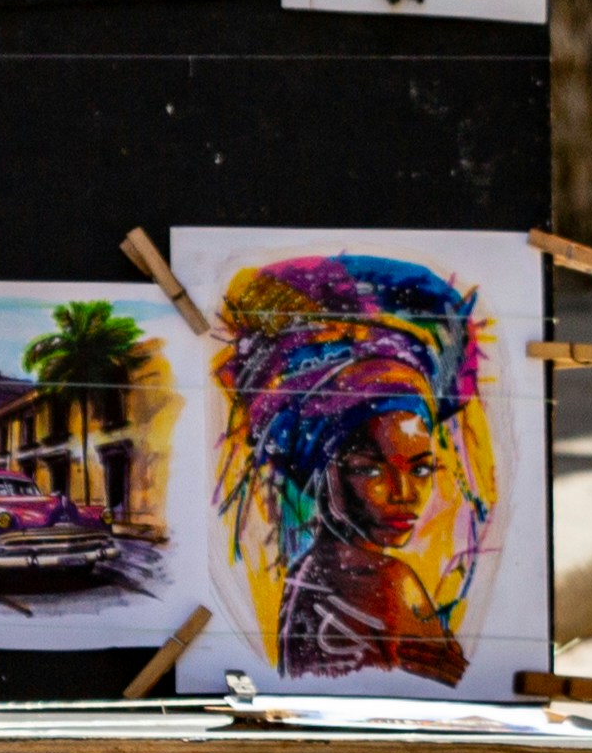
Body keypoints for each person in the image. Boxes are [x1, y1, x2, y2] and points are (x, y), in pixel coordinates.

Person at [209, 254, 494, 684]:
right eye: (371, 469)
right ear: (324, 471)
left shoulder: (308, 574)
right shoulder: (388, 583)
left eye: (420, 470)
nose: (404, 493)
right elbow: (459, 694)